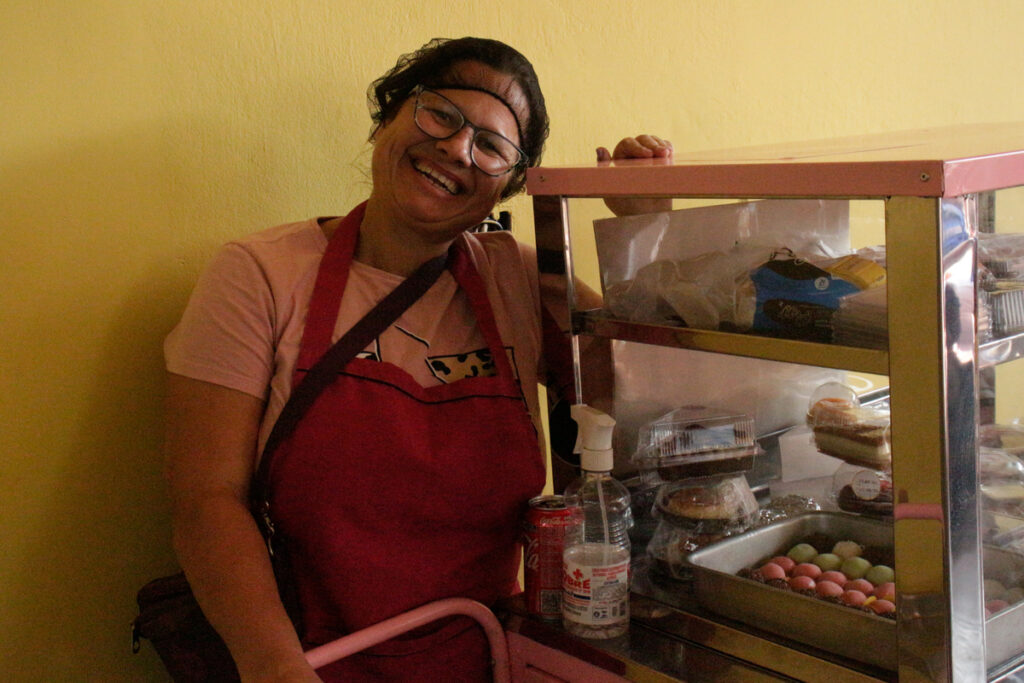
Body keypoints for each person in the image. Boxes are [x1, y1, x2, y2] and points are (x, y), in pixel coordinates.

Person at [163, 36, 672, 682]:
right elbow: (207, 500)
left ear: (506, 186)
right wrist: (275, 667)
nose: (457, 148)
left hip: (491, 657)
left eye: (491, 146)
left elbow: (646, 405)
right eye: (440, 115)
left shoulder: (515, 278)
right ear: (388, 117)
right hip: (309, 660)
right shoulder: (258, 275)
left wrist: (642, 233)